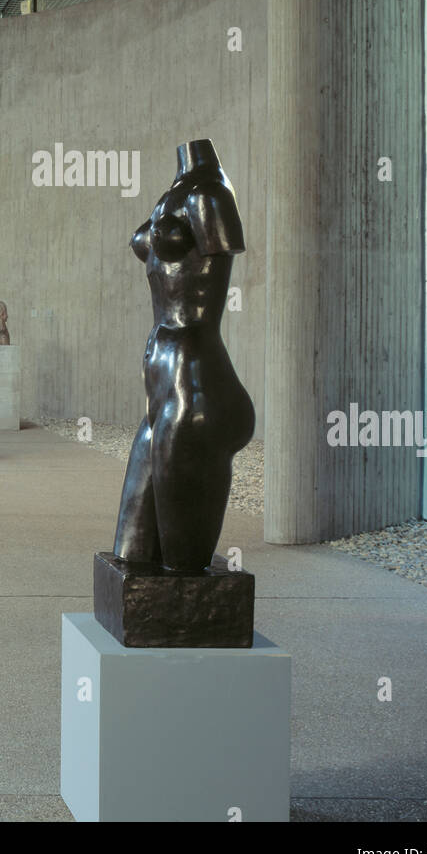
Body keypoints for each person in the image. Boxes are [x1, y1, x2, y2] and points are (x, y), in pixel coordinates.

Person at [113, 139, 254, 573]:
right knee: (130, 553)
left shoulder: (209, 193)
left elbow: (220, 251)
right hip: (163, 384)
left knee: (184, 570)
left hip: (197, 388)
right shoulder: (175, 189)